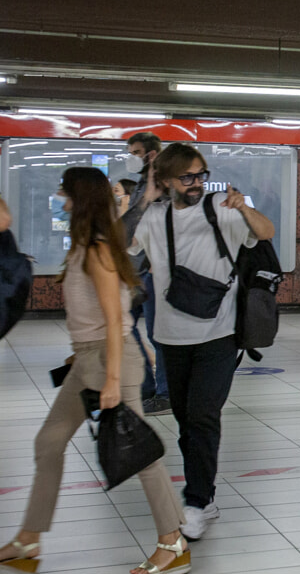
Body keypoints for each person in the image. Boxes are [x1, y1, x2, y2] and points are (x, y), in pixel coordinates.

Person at [0, 168, 189, 574]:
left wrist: (112, 379)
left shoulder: (100, 249)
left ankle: (173, 543)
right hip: (87, 359)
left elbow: (114, 319)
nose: (58, 195)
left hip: (110, 359)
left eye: (64, 190)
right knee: (48, 442)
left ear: (78, 197)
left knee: (139, 453)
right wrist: (80, 358)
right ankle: (29, 540)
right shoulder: (85, 245)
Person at [130, 143, 275, 540]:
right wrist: (144, 200)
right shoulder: (153, 217)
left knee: (202, 417)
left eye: (201, 175)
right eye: (187, 177)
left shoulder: (221, 210)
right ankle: (201, 492)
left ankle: (199, 499)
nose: (196, 184)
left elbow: (265, 232)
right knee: (185, 420)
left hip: (219, 334)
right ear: (165, 181)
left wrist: (243, 206)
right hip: (170, 338)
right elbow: (120, 245)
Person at [119, 131, 168, 415]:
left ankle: (163, 393)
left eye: (136, 153)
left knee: (156, 334)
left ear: (151, 153)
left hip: (152, 270)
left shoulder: (162, 181)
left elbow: (160, 223)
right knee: (126, 326)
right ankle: (147, 388)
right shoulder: (142, 182)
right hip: (135, 270)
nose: (131, 158)